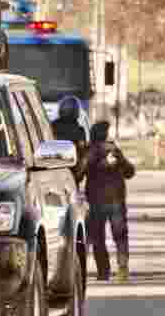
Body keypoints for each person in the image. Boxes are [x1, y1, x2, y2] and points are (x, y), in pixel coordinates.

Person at [79, 120, 135, 283]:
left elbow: (80, 172)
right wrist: (117, 161)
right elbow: (130, 172)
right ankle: (123, 269)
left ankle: (103, 271)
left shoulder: (90, 152)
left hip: (96, 202)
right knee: (120, 235)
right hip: (116, 200)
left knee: (98, 237)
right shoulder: (114, 150)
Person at [51, 95, 87, 180]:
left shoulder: (51, 127)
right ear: (76, 111)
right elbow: (82, 154)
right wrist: (79, 174)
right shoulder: (79, 130)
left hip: (52, 171)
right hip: (71, 173)